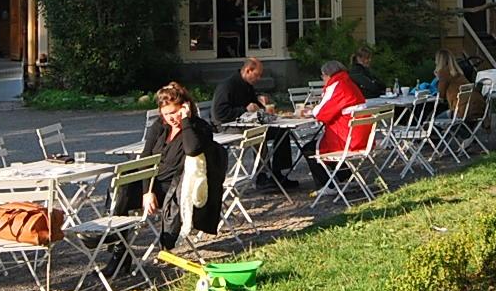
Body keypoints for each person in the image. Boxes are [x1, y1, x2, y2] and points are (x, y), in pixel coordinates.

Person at [141, 83, 228, 250]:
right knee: (121, 188)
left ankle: (167, 246)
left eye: (174, 112)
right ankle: (117, 246)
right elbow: (146, 157)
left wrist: (185, 121)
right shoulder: (159, 126)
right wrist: (147, 191)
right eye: (166, 114)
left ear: (184, 107)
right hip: (154, 183)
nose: (171, 118)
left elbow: (192, 150)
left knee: (170, 199)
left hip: (175, 186)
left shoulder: (199, 127)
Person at [210, 57, 298, 188]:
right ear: (248, 70)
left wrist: (261, 104)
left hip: (245, 124)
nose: (259, 78)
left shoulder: (247, 85)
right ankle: (261, 176)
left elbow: (253, 105)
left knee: (281, 131)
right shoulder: (227, 86)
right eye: (257, 75)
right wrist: (244, 110)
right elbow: (219, 114)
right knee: (257, 132)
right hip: (225, 127)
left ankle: (278, 173)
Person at [309, 59, 369, 164]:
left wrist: (311, 111)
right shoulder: (349, 83)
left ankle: (333, 174)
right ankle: (341, 172)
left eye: (323, 76)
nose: (323, 79)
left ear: (328, 75)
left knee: (309, 149)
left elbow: (321, 114)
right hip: (363, 139)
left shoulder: (336, 86)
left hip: (345, 140)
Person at [433, 48, 481, 121]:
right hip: (477, 109)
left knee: (433, 121)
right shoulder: (459, 74)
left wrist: (438, 79)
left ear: (439, 61)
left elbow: (440, 97)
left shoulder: (444, 73)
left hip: (461, 112)